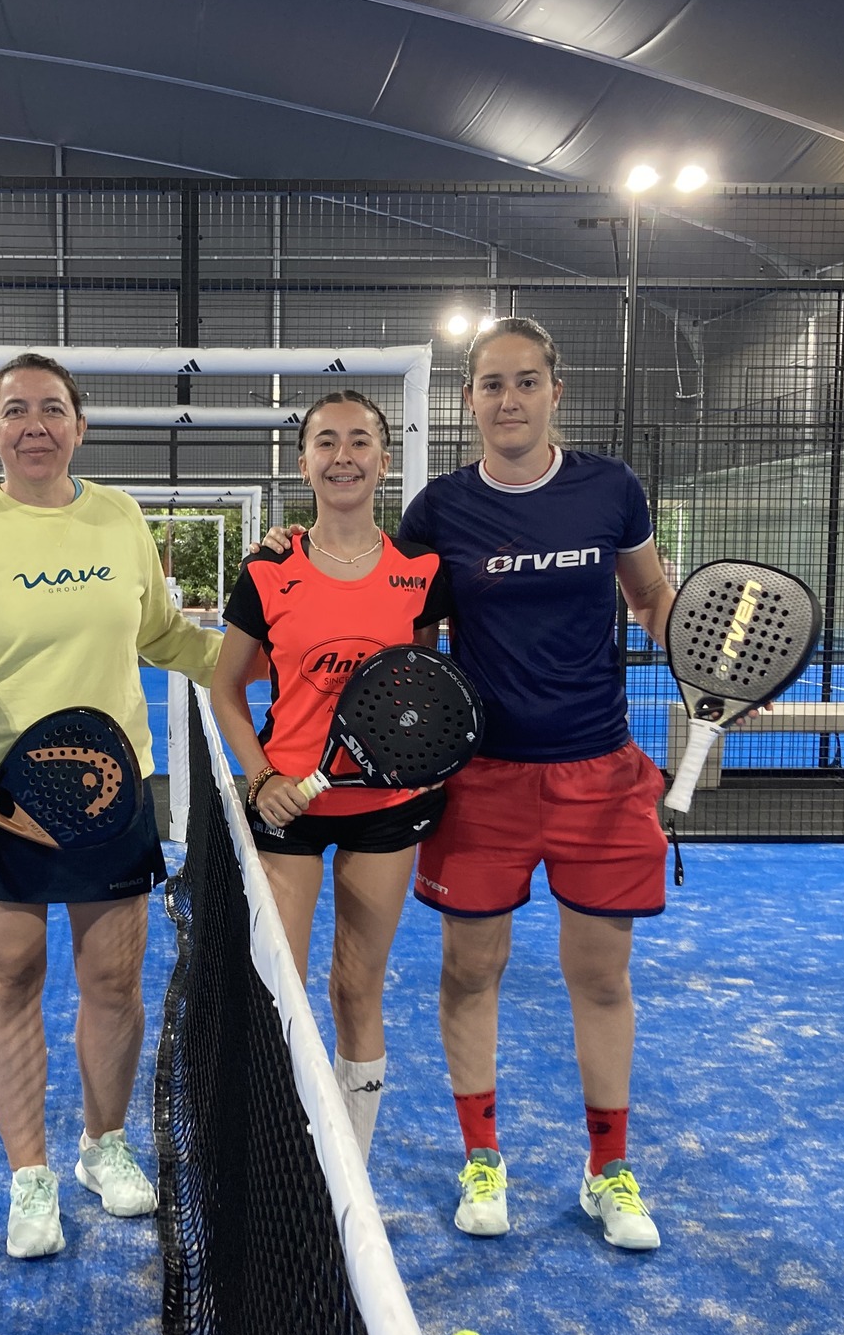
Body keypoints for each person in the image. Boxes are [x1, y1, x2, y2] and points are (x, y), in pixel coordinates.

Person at [265, 318, 675, 1252]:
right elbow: (388, 603)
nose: (510, 400)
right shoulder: (440, 510)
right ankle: (482, 1158)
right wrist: (300, 545)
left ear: (555, 391)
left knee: (599, 977)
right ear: (469, 402)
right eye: (492, 385)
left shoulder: (611, 489)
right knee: (469, 970)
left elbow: (650, 597)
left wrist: (695, 647)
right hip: (481, 778)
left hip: (599, 772)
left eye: (526, 382)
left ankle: (608, 1169)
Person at [0, 352, 222, 1260]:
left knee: (114, 981)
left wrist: (261, 656)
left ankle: (102, 1145)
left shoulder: (119, 517)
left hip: (110, 791)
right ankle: (29, 1175)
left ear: (79, 426)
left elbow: (161, 635)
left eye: (51, 408)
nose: (33, 425)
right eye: (15, 410)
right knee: (10, 980)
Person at [209, 390, 452, 1161]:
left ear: (384, 458)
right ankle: (278, 1155)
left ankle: (351, 1163)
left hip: (389, 807)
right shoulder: (267, 570)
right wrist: (260, 780)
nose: (342, 456)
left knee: (357, 984)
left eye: (359, 441)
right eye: (325, 442)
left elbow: (423, 682)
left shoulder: (423, 571)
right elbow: (225, 689)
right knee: (280, 989)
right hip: (289, 806)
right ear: (304, 461)